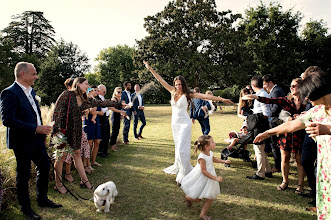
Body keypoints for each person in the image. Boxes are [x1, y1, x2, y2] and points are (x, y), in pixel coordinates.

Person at [253, 70, 331, 219]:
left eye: (307, 94)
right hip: (325, 173)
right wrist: (268, 133)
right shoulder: (317, 111)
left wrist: (328, 129)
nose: (306, 98)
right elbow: (291, 126)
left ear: (317, 90)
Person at [143, 60, 233, 184]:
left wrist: (222, 99)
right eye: (176, 84)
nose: (178, 86)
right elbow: (160, 80)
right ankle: (180, 167)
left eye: (180, 84)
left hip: (185, 123)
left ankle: (183, 173)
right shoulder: (172, 91)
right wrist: (149, 68)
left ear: (183, 84)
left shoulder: (188, 94)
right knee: (178, 148)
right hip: (175, 123)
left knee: (182, 148)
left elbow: (206, 97)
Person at [0, 62, 62, 219]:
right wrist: (35, 128)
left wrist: (42, 129)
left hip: (37, 139)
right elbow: (7, 120)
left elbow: (35, 114)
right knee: (24, 174)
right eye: (34, 73)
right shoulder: (9, 93)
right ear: (23, 74)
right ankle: (25, 208)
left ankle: (42, 199)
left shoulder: (31, 91)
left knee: (44, 165)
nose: (36, 76)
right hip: (21, 141)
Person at [52, 77, 122, 194]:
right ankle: (58, 184)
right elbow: (56, 113)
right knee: (61, 157)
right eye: (86, 84)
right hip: (62, 132)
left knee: (77, 154)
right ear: (78, 84)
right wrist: (57, 132)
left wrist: (118, 104)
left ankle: (85, 181)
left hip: (76, 131)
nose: (88, 86)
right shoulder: (66, 95)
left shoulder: (85, 99)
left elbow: (100, 103)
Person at [245, 78, 306, 194]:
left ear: (302, 87)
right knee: (285, 158)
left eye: (294, 86)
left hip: (299, 133)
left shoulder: (306, 102)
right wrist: (256, 97)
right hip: (286, 132)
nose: (291, 88)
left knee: (299, 160)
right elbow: (270, 101)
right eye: (291, 86)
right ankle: (285, 182)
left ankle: (300, 185)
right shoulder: (287, 100)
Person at [181, 135, 230, 220]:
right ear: (206, 146)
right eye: (212, 142)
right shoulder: (202, 157)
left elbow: (213, 159)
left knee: (210, 197)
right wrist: (216, 178)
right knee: (197, 199)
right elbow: (204, 171)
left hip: (210, 176)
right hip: (202, 177)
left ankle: (202, 215)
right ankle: (187, 197)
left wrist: (224, 161)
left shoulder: (210, 152)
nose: (215, 143)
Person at [300, 66, 324, 209]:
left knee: (319, 169)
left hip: (322, 136)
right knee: (307, 162)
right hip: (311, 134)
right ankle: (315, 194)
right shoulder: (314, 105)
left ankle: (319, 200)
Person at [246, 76, 273, 180]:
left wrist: (254, 119)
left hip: (260, 124)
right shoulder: (261, 94)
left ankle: (260, 173)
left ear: (253, 85)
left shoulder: (262, 95)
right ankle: (268, 170)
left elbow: (266, 113)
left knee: (259, 149)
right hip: (259, 123)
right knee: (258, 148)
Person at [262, 74, 285, 173]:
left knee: (275, 144)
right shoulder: (275, 90)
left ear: (270, 83)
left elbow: (276, 107)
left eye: (264, 84)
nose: (264, 86)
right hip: (274, 120)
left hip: (275, 121)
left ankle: (277, 166)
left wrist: (267, 114)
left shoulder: (276, 91)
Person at [83, 86, 103, 167]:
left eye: (96, 90)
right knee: (89, 143)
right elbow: (91, 111)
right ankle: (87, 164)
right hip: (89, 122)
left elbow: (102, 113)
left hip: (96, 122)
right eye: (94, 90)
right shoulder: (87, 101)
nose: (96, 91)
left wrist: (96, 113)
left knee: (97, 142)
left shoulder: (97, 101)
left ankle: (93, 161)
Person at [96, 84, 111, 158]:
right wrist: (108, 108)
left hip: (106, 118)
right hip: (102, 118)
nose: (105, 93)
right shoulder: (98, 99)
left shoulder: (103, 98)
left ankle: (105, 150)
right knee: (103, 135)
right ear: (99, 91)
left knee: (107, 135)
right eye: (103, 91)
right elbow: (100, 110)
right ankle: (101, 152)